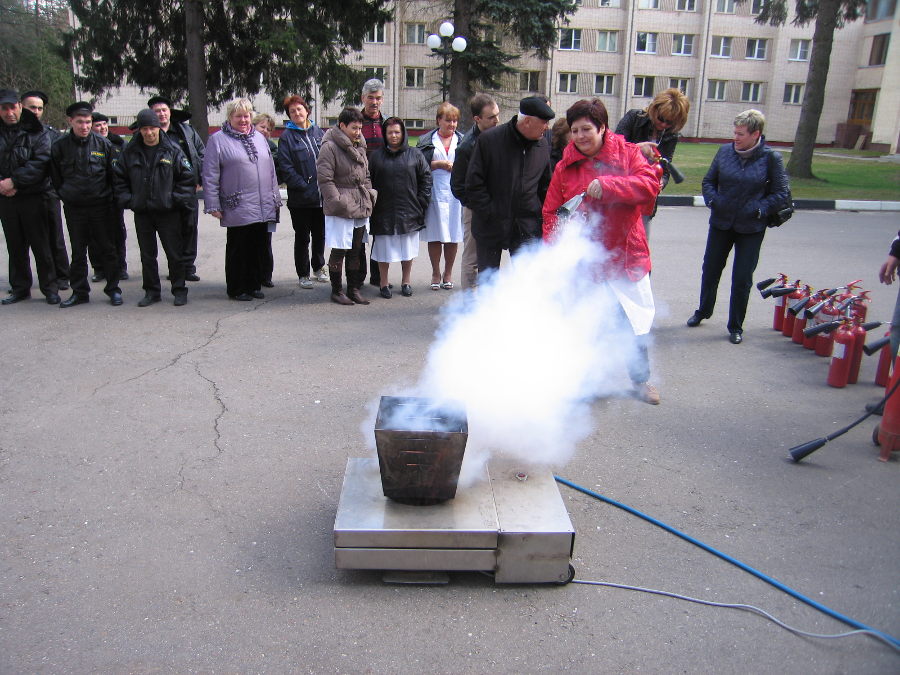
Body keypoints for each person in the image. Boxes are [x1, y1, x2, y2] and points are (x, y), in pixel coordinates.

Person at [542, 98, 662, 404]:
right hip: (585, 258)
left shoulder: (629, 153)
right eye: (575, 130)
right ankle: (585, 380)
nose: (581, 136)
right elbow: (552, 213)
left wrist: (609, 186)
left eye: (587, 129)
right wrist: (555, 254)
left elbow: (649, 185)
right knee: (586, 320)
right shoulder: (564, 166)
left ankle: (641, 381)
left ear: (603, 127)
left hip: (624, 253)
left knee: (633, 321)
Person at [686, 109, 790, 344]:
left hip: (751, 228)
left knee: (742, 277)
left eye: (741, 134)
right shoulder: (724, 152)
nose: (736, 138)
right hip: (721, 222)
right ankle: (703, 310)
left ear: (756, 134)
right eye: (734, 132)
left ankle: (735, 326)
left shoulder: (771, 158)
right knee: (710, 269)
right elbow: (708, 181)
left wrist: (760, 209)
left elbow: (781, 193)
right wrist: (713, 200)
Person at [201, 98, 281, 301]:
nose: (243, 120)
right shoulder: (217, 140)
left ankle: (253, 285)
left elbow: (270, 170)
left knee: (257, 246)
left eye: (247, 116)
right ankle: (237, 288)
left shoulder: (259, 138)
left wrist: (275, 197)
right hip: (236, 204)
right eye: (239, 116)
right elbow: (210, 174)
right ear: (230, 117)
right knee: (239, 248)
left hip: (262, 203)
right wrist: (213, 204)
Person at [464, 96, 554, 275]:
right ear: (527, 121)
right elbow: (474, 184)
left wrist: (541, 218)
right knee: (488, 282)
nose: (547, 127)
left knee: (528, 282)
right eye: (543, 122)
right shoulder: (489, 141)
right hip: (490, 224)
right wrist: (490, 211)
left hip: (526, 227)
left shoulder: (542, 145)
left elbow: (545, 187)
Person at [114, 109, 195, 306]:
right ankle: (151, 291)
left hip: (168, 212)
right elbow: (119, 179)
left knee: (174, 253)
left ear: (159, 128)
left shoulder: (173, 150)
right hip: (143, 212)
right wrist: (129, 200)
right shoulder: (130, 152)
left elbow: (187, 178)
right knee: (147, 255)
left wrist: (174, 200)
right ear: (139, 130)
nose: (149, 133)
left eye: (152, 128)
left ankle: (179, 289)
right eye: (144, 129)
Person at [50, 101, 122, 307]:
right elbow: (55, 177)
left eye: (88, 122)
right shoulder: (60, 146)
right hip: (75, 208)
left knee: (108, 250)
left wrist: (109, 199)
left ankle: (113, 289)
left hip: (101, 207)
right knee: (79, 252)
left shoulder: (103, 145)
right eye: (80, 122)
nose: (85, 126)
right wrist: (66, 194)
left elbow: (113, 176)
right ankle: (80, 292)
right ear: (70, 121)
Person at [0, 88, 60, 305]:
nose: (9, 113)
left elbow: (41, 162)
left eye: (12, 107)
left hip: (34, 197)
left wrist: (14, 181)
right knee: (15, 245)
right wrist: (3, 185)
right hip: (6, 199)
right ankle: (20, 288)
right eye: (4, 108)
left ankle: (50, 288)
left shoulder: (38, 132)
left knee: (42, 246)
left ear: (19, 107)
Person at [316, 107, 377, 306]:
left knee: (356, 248)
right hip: (341, 206)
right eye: (354, 127)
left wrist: (369, 194)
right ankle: (337, 290)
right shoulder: (330, 147)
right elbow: (325, 179)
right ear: (342, 126)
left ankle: (353, 288)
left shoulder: (360, 145)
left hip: (359, 202)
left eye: (360, 128)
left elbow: (365, 175)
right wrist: (338, 201)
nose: (358, 131)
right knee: (339, 249)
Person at [369, 117, 431, 298]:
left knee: (407, 249)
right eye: (390, 132)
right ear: (385, 134)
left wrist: (421, 202)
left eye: (397, 132)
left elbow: (426, 178)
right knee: (384, 250)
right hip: (383, 211)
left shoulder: (415, 154)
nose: (394, 136)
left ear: (403, 133)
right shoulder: (377, 156)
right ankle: (383, 283)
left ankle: (406, 282)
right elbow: (369, 181)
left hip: (409, 210)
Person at [615, 88, 690, 238]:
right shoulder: (633, 118)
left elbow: (665, 166)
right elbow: (613, 151)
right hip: (621, 195)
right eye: (661, 118)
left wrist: (662, 181)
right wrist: (637, 149)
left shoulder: (671, 136)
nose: (663, 124)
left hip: (645, 203)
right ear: (654, 109)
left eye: (670, 122)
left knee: (640, 252)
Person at [148, 95, 205, 281]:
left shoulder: (186, 131)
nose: (162, 114)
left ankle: (188, 267)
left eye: (164, 110)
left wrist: (200, 179)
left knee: (189, 227)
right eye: (157, 111)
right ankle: (175, 268)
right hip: (163, 192)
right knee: (170, 231)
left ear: (170, 112)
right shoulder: (149, 134)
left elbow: (201, 155)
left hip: (188, 188)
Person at [276, 95, 327, 290]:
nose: (297, 113)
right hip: (301, 199)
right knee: (303, 237)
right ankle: (303, 273)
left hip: (322, 196)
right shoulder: (286, 138)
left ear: (307, 110)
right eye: (292, 111)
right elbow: (286, 168)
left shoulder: (318, 132)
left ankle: (319, 267)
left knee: (320, 235)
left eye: (299, 109)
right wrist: (304, 186)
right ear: (289, 116)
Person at [450, 93, 499, 290]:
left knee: (492, 254)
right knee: (472, 256)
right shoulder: (466, 147)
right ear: (477, 119)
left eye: (497, 115)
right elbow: (458, 186)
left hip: (495, 206)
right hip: (475, 208)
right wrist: (477, 203)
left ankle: (487, 300)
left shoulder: (498, 137)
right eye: (491, 117)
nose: (497, 120)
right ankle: (468, 303)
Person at [21, 90, 70, 290]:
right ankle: (21, 283)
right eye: (32, 107)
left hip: (48, 191)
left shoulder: (51, 135)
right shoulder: (12, 133)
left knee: (54, 236)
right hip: (20, 193)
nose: (36, 111)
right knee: (21, 242)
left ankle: (61, 276)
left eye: (40, 108)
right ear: (21, 106)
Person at [418, 102, 464, 290]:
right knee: (435, 235)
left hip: (455, 194)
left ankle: (448, 273)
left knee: (453, 234)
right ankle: (436, 272)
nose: (452, 124)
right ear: (439, 120)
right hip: (434, 191)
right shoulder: (426, 140)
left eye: (455, 121)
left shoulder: (462, 140)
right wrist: (436, 165)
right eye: (448, 120)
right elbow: (418, 166)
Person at [89, 111, 128, 282]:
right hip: (93, 198)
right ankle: (99, 269)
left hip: (114, 197)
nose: (103, 127)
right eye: (98, 125)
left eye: (105, 123)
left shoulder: (119, 144)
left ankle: (120, 267)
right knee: (95, 235)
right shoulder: (87, 144)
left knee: (117, 233)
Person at [359, 79, 386, 287]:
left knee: (379, 232)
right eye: (370, 98)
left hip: (381, 185)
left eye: (377, 98)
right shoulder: (355, 122)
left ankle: (378, 277)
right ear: (363, 98)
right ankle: (357, 277)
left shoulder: (387, 124)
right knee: (359, 233)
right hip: (359, 186)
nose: (374, 102)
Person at [253, 112, 279, 287]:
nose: (265, 131)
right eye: (262, 127)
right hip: (251, 202)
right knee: (252, 240)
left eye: (269, 129)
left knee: (265, 240)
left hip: (269, 200)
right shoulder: (246, 145)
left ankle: (265, 275)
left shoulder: (273, 148)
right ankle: (253, 275)